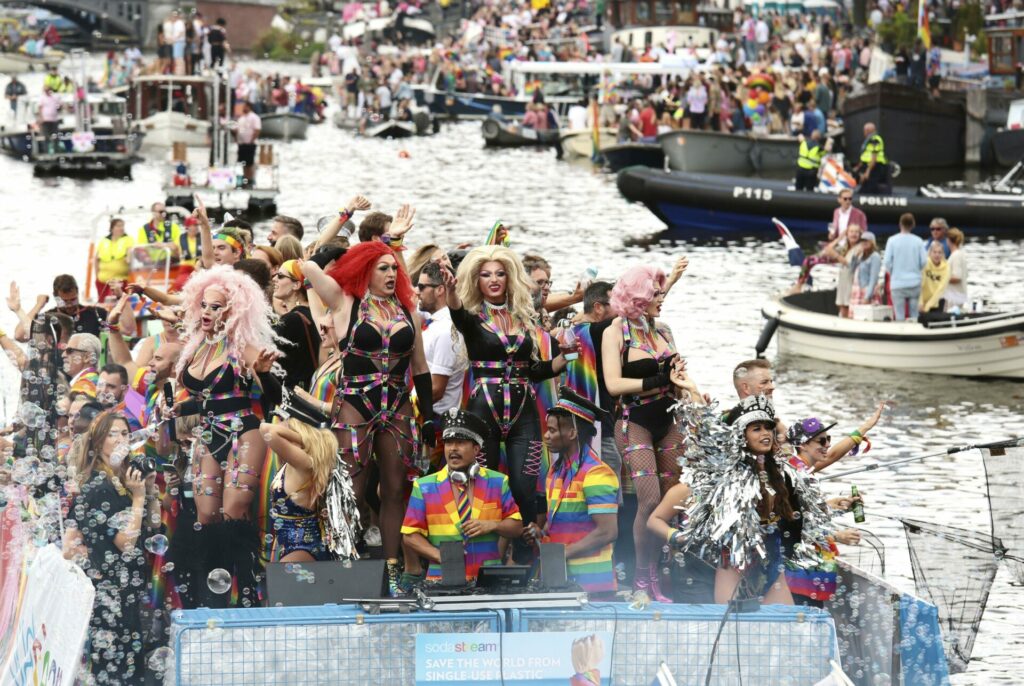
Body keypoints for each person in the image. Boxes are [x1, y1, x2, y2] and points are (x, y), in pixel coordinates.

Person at [303, 240, 434, 595]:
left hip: (398, 406)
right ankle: (343, 565)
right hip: (355, 405)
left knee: (396, 488)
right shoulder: (346, 300)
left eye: (395, 269)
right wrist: (333, 249)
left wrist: (431, 415)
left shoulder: (408, 310)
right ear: (366, 271)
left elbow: (420, 367)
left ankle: (392, 569)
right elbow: (307, 269)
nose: (392, 274)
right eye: (383, 268)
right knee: (351, 489)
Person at [439, 246, 573, 563]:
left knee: (524, 488)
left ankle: (524, 559)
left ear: (510, 278)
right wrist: (450, 288)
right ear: (476, 280)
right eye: (486, 275)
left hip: (523, 413)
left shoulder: (523, 318)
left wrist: (567, 356)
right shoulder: (471, 319)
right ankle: (479, 560)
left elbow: (535, 371)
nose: (494, 280)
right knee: (481, 486)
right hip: (482, 413)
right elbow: (456, 310)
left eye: (500, 273)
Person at [170, 265, 278, 605]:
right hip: (208, 435)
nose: (206, 312)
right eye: (203, 305)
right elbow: (207, 401)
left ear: (232, 312)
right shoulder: (197, 347)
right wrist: (179, 410)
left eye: (215, 307)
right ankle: (212, 595)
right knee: (205, 517)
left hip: (244, 434)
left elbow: (274, 396)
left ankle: (246, 593)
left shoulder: (242, 347)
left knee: (235, 513)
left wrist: (264, 373)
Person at [600, 264, 685, 602]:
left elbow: (676, 375)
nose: (662, 299)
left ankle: (658, 575)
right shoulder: (615, 332)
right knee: (647, 499)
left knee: (668, 503)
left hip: (669, 420)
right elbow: (613, 384)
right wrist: (655, 380)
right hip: (634, 419)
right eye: (656, 294)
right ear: (640, 297)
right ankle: (640, 579)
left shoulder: (662, 329)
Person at [63, 411, 160, 686]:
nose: (121, 439)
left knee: (122, 666)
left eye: (125, 433)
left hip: (122, 590)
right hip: (113, 593)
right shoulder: (100, 486)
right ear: (97, 444)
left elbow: (153, 527)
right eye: (112, 434)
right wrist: (139, 497)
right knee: (120, 672)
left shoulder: (122, 482)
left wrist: (148, 491)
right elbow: (126, 543)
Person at [401, 407, 523, 584]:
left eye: (460, 442)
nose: (453, 449)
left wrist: (492, 525)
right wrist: (440, 555)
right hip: (441, 581)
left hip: (488, 582)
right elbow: (410, 535)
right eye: (449, 443)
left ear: (476, 449)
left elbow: (517, 527)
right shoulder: (424, 486)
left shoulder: (498, 482)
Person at [526, 386, 619, 598]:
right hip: (559, 579)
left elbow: (608, 532)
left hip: (593, 586)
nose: (546, 436)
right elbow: (558, 527)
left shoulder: (596, 473)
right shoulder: (555, 471)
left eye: (553, 430)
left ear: (573, 433)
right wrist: (539, 534)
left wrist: (563, 554)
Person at [261, 418, 339, 562]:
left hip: (302, 544)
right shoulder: (291, 464)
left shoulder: (305, 462)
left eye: (286, 434)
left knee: (283, 585)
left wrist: (309, 438)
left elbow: (266, 429)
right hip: (288, 543)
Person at [417, 262, 466, 417]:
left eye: (421, 287)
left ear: (439, 290)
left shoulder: (446, 330)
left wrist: (401, 408)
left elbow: (436, 391)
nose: (417, 292)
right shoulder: (436, 321)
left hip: (436, 420)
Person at [271, 259, 321, 389]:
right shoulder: (314, 314)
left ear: (296, 285)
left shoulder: (292, 319)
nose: (274, 279)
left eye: (280, 276)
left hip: (293, 393)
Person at [883, 213, 926, 322]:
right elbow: (924, 261)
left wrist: (894, 272)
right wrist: (916, 270)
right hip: (914, 282)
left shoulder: (892, 240)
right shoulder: (918, 241)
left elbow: (887, 261)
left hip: (897, 283)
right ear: (913, 225)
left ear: (900, 224)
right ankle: (915, 334)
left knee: (899, 314)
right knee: (914, 314)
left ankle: (901, 333)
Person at [827, 223, 864, 319]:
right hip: (843, 281)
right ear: (847, 234)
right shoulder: (845, 248)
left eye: (857, 232)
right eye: (851, 231)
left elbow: (849, 264)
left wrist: (838, 257)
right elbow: (828, 249)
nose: (854, 234)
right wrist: (840, 237)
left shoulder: (860, 248)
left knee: (848, 309)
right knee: (841, 307)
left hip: (852, 283)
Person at [94, 217, 133, 301]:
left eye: (122, 226)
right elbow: (96, 259)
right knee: (102, 305)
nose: (121, 228)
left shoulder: (128, 240)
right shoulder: (104, 241)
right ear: (112, 228)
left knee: (117, 303)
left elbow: (130, 254)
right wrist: (97, 276)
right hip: (103, 280)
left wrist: (129, 257)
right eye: (118, 226)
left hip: (119, 280)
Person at [849, 231, 882, 308]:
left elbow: (873, 279)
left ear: (872, 242)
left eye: (866, 240)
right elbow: (851, 270)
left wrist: (867, 296)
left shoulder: (875, 256)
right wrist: (855, 256)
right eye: (862, 241)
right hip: (858, 291)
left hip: (867, 291)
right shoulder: (861, 256)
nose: (864, 242)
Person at [919, 241, 950, 317]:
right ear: (930, 253)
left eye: (940, 252)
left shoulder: (947, 268)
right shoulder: (924, 264)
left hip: (937, 300)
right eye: (934, 252)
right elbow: (920, 284)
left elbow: (940, 290)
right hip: (923, 301)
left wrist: (927, 307)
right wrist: (920, 303)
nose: (937, 255)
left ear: (943, 254)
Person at [856, 122, 889, 194]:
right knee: (864, 189)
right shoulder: (868, 139)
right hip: (868, 166)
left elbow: (874, 156)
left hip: (875, 167)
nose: (864, 132)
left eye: (864, 130)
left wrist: (868, 171)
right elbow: (865, 155)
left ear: (868, 130)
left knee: (869, 190)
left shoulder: (875, 139)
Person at [235, 101, 261, 186]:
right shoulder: (241, 118)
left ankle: (250, 179)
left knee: (250, 163)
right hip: (242, 144)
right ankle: (245, 178)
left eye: (245, 106)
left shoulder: (254, 117)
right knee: (244, 163)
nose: (243, 108)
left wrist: (251, 140)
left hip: (250, 144)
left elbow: (257, 130)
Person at [944, 228, 968, 312]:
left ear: (948, 240)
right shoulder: (960, 254)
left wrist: (942, 279)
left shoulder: (955, 256)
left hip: (954, 297)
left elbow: (957, 277)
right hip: (959, 295)